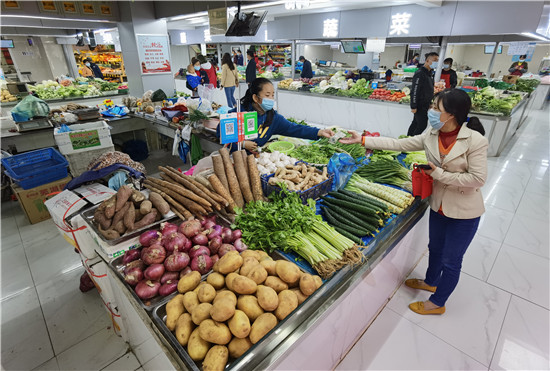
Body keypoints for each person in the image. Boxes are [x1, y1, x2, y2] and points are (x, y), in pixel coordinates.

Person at [340, 88, 488, 315]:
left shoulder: (474, 140)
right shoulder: (431, 135)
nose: (431, 111)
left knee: (451, 260)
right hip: (438, 205)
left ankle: (438, 302)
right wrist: (362, 139)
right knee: (435, 248)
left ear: (452, 114)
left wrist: (438, 174)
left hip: (464, 211)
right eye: (432, 107)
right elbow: (400, 144)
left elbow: (478, 179)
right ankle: (430, 281)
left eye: (436, 108)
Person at [217, 77, 334, 152]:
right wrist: (241, 143)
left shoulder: (273, 118)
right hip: (234, 161)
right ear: (255, 97)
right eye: (267, 95)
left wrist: (319, 132)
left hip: (255, 161)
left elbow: (294, 128)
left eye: (273, 95)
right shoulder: (239, 113)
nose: (271, 99)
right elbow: (220, 133)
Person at [408, 52, 439, 136]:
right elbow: (415, 90)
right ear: (428, 60)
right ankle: (412, 143)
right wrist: (413, 106)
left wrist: (430, 102)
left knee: (415, 123)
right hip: (419, 104)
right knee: (422, 125)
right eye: (435, 60)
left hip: (425, 104)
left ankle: (407, 140)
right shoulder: (420, 73)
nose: (436, 62)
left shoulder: (430, 73)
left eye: (438, 60)